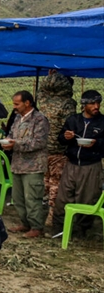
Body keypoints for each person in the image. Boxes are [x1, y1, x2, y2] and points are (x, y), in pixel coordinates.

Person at [51, 90, 104, 238]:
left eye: (98, 103)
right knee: (63, 197)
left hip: (91, 165)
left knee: (87, 198)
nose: (96, 106)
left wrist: (96, 143)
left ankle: (82, 231)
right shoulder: (73, 120)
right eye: (92, 103)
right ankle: (59, 228)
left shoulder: (102, 122)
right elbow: (60, 139)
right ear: (84, 104)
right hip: (72, 163)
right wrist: (66, 137)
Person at [5, 91, 50, 238]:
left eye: (17, 104)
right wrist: (7, 141)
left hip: (33, 166)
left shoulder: (39, 120)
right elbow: (11, 134)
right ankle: (25, 223)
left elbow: (38, 142)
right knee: (18, 198)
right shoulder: (18, 118)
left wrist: (15, 144)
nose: (14, 107)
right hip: (18, 164)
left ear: (27, 103)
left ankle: (37, 227)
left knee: (32, 198)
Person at [37, 72, 76, 228]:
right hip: (59, 150)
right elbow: (70, 126)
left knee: (45, 183)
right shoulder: (68, 103)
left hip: (43, 148)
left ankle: (41, 215)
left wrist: (48, 77)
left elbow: (41, 89)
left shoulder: (44, 99)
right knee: (56, 184)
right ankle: (52, 218)